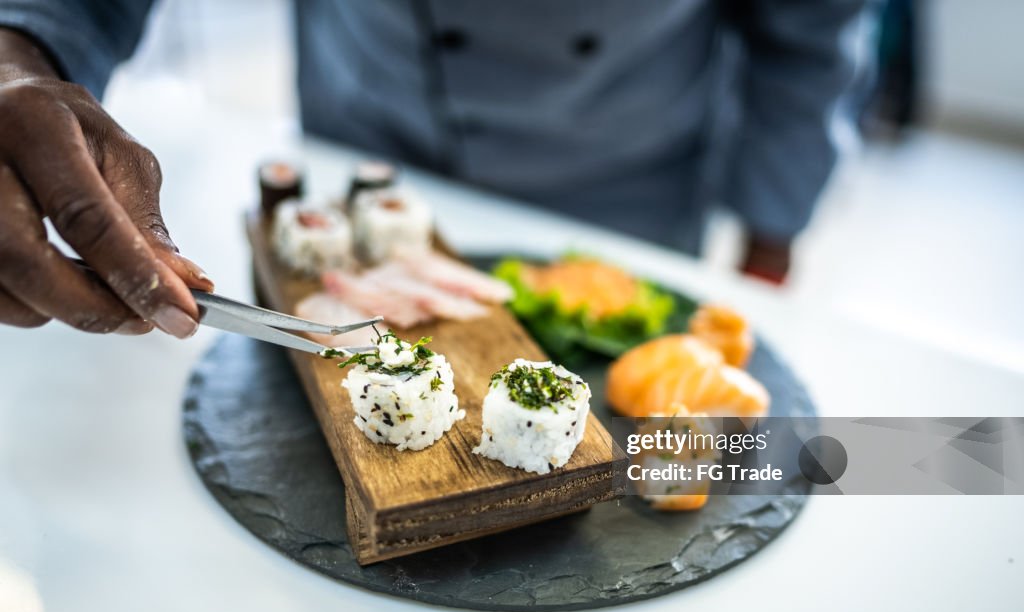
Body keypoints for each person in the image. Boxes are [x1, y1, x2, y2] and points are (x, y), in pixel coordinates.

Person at [0, 0, 865, 338]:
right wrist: (20, 51)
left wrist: (772, 228)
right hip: (363, 140)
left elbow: (811, 32)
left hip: (620, 190)